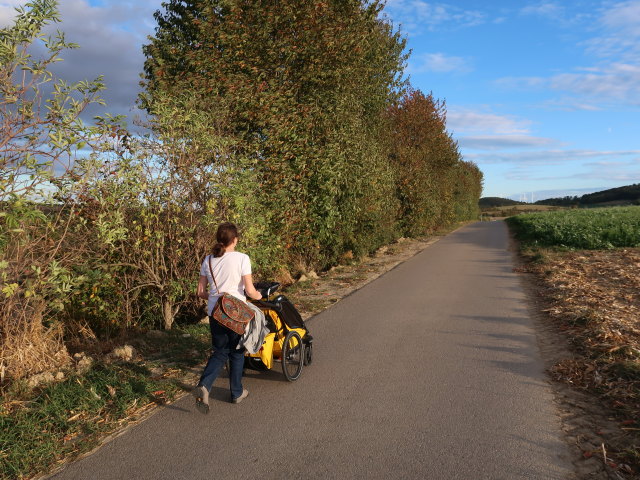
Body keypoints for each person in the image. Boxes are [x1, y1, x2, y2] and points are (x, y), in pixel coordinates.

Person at [192, 222, 263, 413]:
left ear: (219, 240)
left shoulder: (207, 260)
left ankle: (205, 385)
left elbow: (200, 292)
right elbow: (249, 290)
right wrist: (259, 296)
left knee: (219, 352)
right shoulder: (242, 258)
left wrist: (217, 298)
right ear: (235, 240)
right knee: (237, 351)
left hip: (215, 313)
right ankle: (236, 393)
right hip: (236, 313)